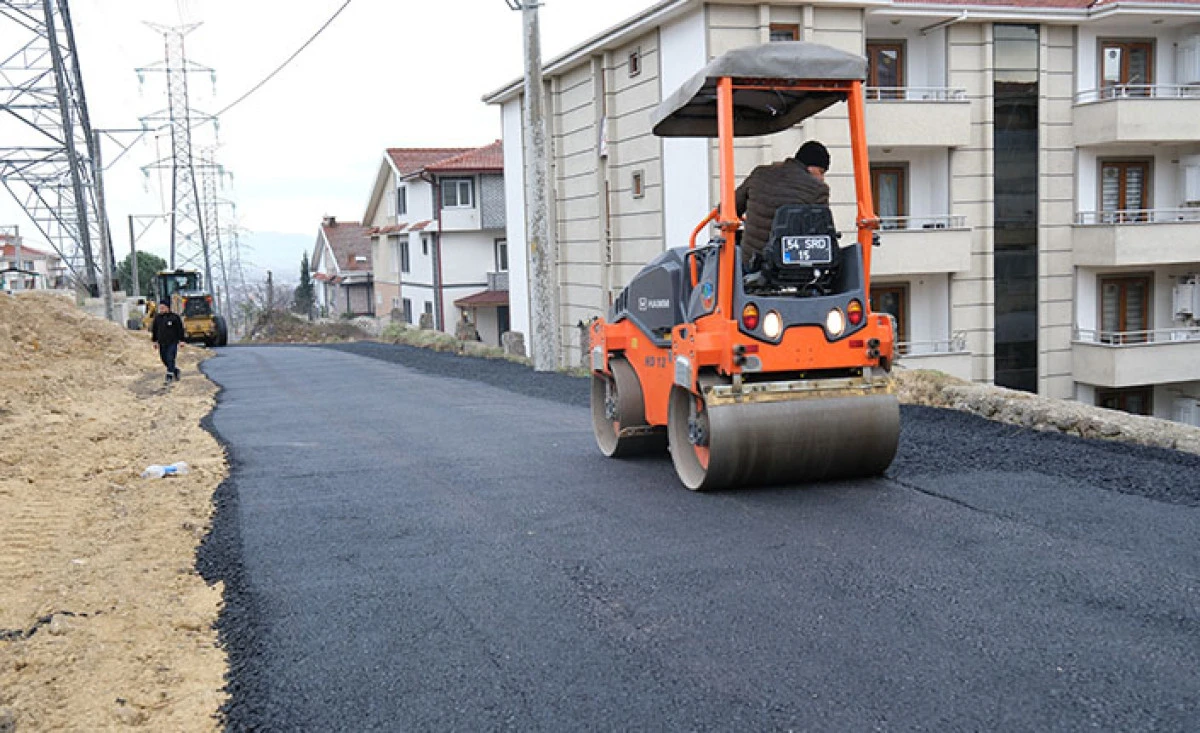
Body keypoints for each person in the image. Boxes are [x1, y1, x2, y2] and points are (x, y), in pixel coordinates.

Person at [735, 140, 831, 268]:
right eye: (821, 172)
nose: (822, 178)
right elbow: (822, 231)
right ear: (810, 167)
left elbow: (729, 208)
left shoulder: (759, 174)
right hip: (793, 267)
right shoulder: (818, 189)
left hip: (752, 263)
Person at [151, 298, 186, 384]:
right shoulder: (157, 318)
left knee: (170, 358)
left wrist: (181, 340)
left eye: (163, 308)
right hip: (162, 342)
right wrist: (155, 341)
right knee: (164, 359)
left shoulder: (174, 317)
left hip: (172, 342)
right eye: (160, 308)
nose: (161, 309)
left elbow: (180, 329)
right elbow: (155, 330)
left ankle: (169, 376)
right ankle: (175, 370)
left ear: (168, 308)